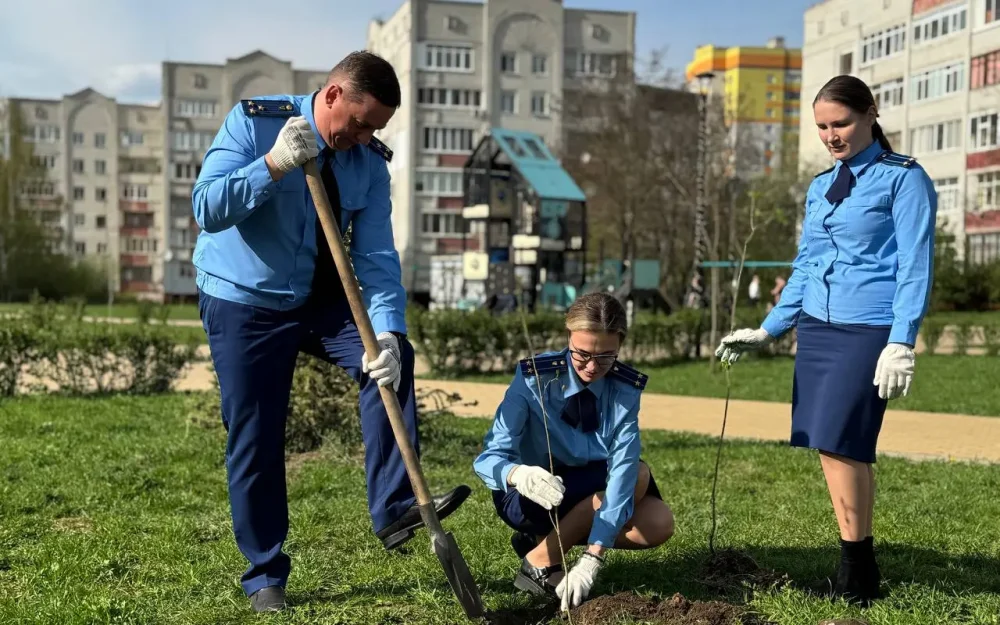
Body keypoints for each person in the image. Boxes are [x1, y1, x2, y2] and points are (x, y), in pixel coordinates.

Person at [192, 51, 470, 613]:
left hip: (318, 298)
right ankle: (265, 574)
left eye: (377, 128)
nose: (364, 135)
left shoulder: (368, 161)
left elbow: (376, 259)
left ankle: (394, 503)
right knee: (258, 434)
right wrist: (271, 165)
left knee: (390, 360)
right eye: (360, 122)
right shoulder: (256, 122)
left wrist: (388, 333)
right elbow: (207, 207)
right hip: (244, 298)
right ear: (333, 94)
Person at [715, 75, 936, 606]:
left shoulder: (903, 180)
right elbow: (809, 264)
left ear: (869, 114)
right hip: (817, 326)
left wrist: (901, 339)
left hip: (868, 328)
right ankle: (855, 562)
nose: (831, 135)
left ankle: (857, 570)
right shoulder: (820, 186)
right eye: (821, 127)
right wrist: (769, 327)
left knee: (844, 441)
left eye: (841, 124)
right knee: (828, 444)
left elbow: (915, 265)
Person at [473, 292, 675, 612]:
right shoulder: (533, 378)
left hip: (590, 484)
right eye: (581, 354)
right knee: (638, 475)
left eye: (607, 356)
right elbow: (488, 458)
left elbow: (622, 470)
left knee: (657, 523)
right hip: (533, 494)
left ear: (620, 344)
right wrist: (517, 473)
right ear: (568, 336)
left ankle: (544, 547)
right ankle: (539, 562)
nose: (592, 367)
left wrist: (592, 560)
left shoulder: (624, 390)